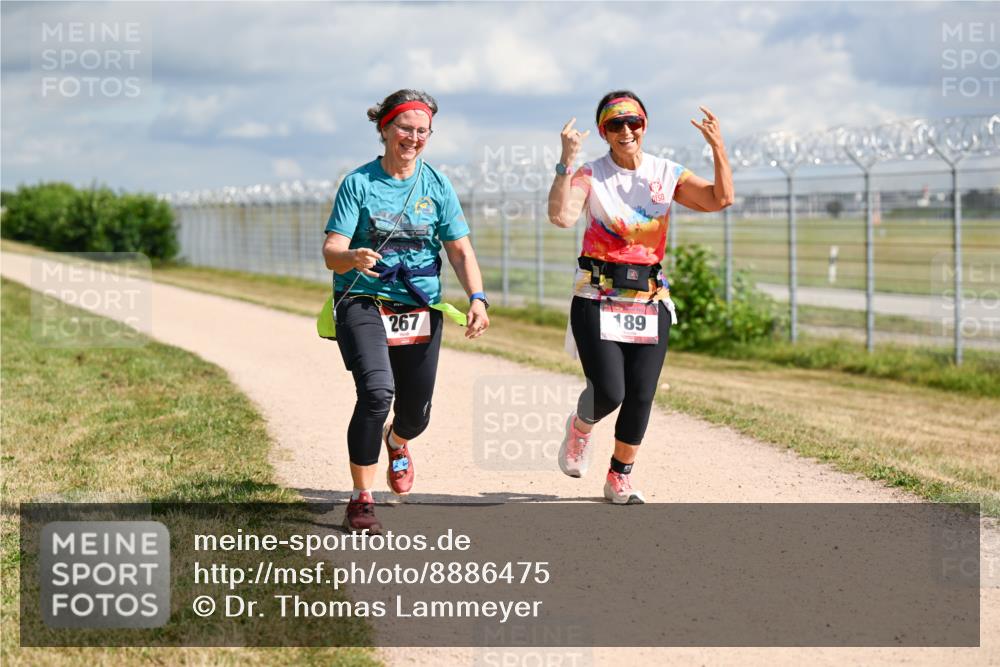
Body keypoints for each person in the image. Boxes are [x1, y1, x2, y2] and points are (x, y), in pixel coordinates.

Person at [547, 90, 733, 504]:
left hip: (649, 299)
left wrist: (718, 147)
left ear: (644, 125)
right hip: (597, 296)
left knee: (641, 394)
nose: (626, 130)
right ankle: (580, 427)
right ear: (604, 132)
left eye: (633, 122)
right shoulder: (592, 174)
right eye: (615, 123)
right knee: (609, 391)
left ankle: (619, 476)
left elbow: (719, 199)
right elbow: (561, 216)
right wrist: (566, 162)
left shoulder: (666, 173)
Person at [322, 89, 490, 533]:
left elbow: (459, 250)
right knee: (377, 393)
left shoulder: (437, 185)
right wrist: (352, 256)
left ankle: (397, 441)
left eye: (422, 131)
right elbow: (331, 252)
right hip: (363, 300)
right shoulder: (358, 183)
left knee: (415, 413)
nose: (413, 138)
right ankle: (361, 499)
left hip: (419, 305)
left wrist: (477, 297)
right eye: (405, 128)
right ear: (385, 129)